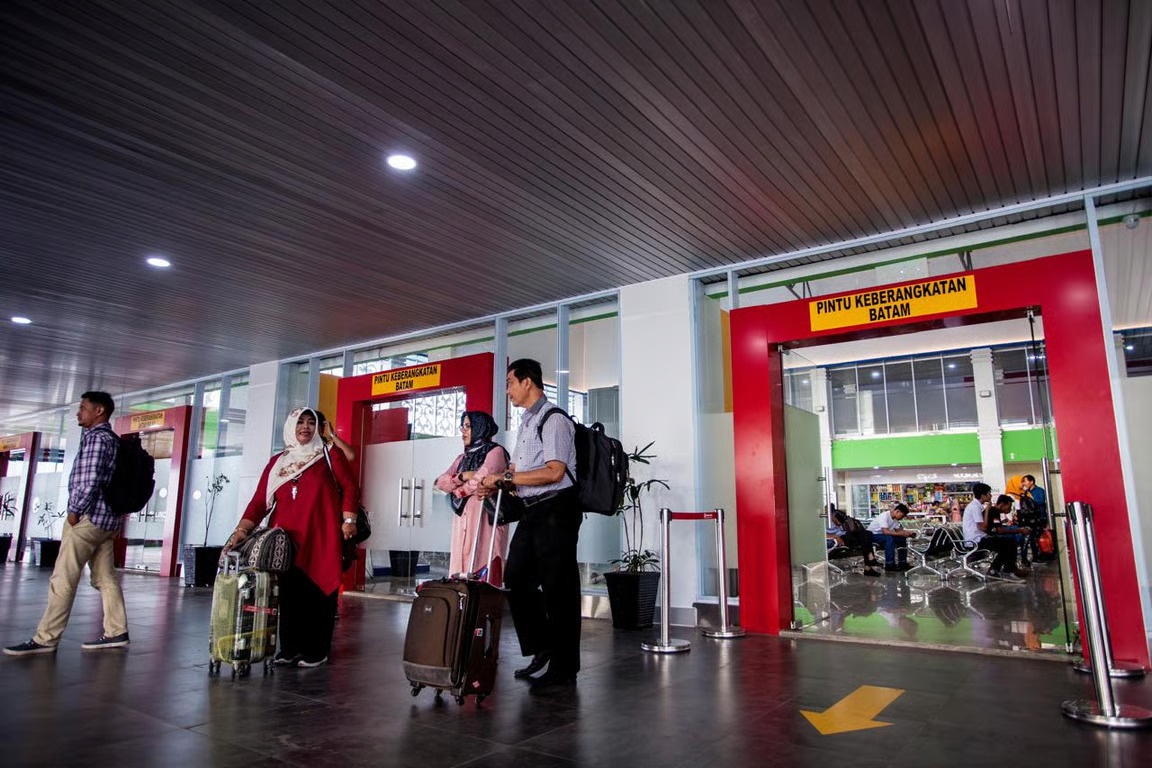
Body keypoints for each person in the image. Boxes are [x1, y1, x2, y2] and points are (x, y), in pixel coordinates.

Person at [225, 407, 359, 668]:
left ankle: (315, 650)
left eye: (311, 422)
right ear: (291, 427)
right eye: (300, 422)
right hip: (284, 541)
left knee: (318, 593)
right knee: (288, 595)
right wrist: (242, 530)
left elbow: (350, 486)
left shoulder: (328, 455)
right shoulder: (278, 463)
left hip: (321, 536)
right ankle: (288, 648)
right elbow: (259, 501)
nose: (305, 427)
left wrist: (349, 520)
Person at [478, 359, 580, 689]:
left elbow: (555, 471)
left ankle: (564, 668)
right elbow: (521, 472)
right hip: (532, 509)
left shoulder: (554, 420)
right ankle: (544, 646)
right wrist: (498, 481)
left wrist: (506, 478)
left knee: (558, 588)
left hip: (557, 509)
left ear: (527, 382)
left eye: (510, 383)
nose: (507, 390)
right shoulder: (526, 422)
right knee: (516, 578)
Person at [5, 391, 130, 656]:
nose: (78, 412)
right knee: (105, 577)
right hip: (106, 521)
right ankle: (116, 631)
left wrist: (74, 512)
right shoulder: (112, 440)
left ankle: (46, 638)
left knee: (63, 578)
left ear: (99, 411)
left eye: (83, 407)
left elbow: (89, 480)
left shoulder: (97, 439)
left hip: (88, 519)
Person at [434, 411, 510, 585]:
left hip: (485, 516)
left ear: (480, 428)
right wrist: (461, 476)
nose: (463, 431)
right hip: (462, 516)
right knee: (460, 565)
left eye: (468, 427)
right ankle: (460, 596)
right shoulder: (462, 458)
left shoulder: (496, 452)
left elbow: (481, 478)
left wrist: (459, 491)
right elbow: (441, 482)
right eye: (463, 427)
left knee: (484, 561)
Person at [962, 482, 1028, 580]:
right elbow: (983, 527)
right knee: (1009, 543)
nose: (991, 495)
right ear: (983, 496)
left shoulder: (976, 506)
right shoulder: (975, 507)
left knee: (1006, 543)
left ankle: (997, 569)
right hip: (976, 541)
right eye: (989, 493)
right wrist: (987, 510)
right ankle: (1007, 571)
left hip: (979, 538)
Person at [827, 507, 881, 577]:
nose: (839, 524)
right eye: (837, 522)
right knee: (865, 539)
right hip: (840, 538)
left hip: (845, 535)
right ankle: (869, 563)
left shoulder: (837, 517)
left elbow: (843, 527)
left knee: (867, 533)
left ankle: (870, 559)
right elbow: (819, 534)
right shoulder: (824, 521)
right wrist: (834, 536)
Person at [867, 503, 917, 571]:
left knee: (901, 538)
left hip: (882, 536)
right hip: (872, 536)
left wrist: (908, 533)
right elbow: (885, 531)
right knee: (889, 538)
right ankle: (889, 564)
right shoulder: (884, 516)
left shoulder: (895, 519)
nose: (902, 518)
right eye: (902, 516)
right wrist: (901, 533)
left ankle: (902, 563)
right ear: (897, 511)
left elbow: (899, 531)